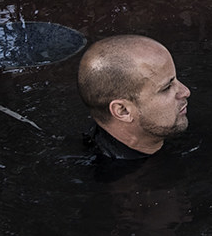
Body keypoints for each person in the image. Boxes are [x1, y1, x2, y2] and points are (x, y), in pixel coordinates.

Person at [76, 34, 191, 173]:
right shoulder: (124, 182)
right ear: (123, 111)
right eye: (166, 88)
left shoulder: (161, 128)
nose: (185, 91)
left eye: (176, 80)